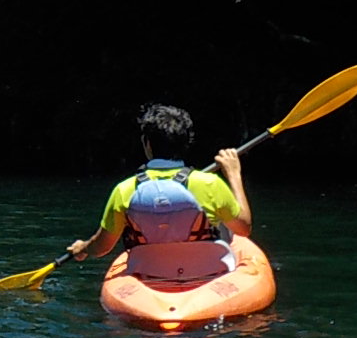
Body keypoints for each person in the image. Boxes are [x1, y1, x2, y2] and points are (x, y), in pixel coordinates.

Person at [67, 103, 252, 278]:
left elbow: (102, 247)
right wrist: (234, 174)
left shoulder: (125, 190)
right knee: (224, 229)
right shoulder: (210, 184)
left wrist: (84, 248)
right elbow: (243, 228)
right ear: (186, 143)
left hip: (149, 275)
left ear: (147, 143)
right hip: (205, 274)